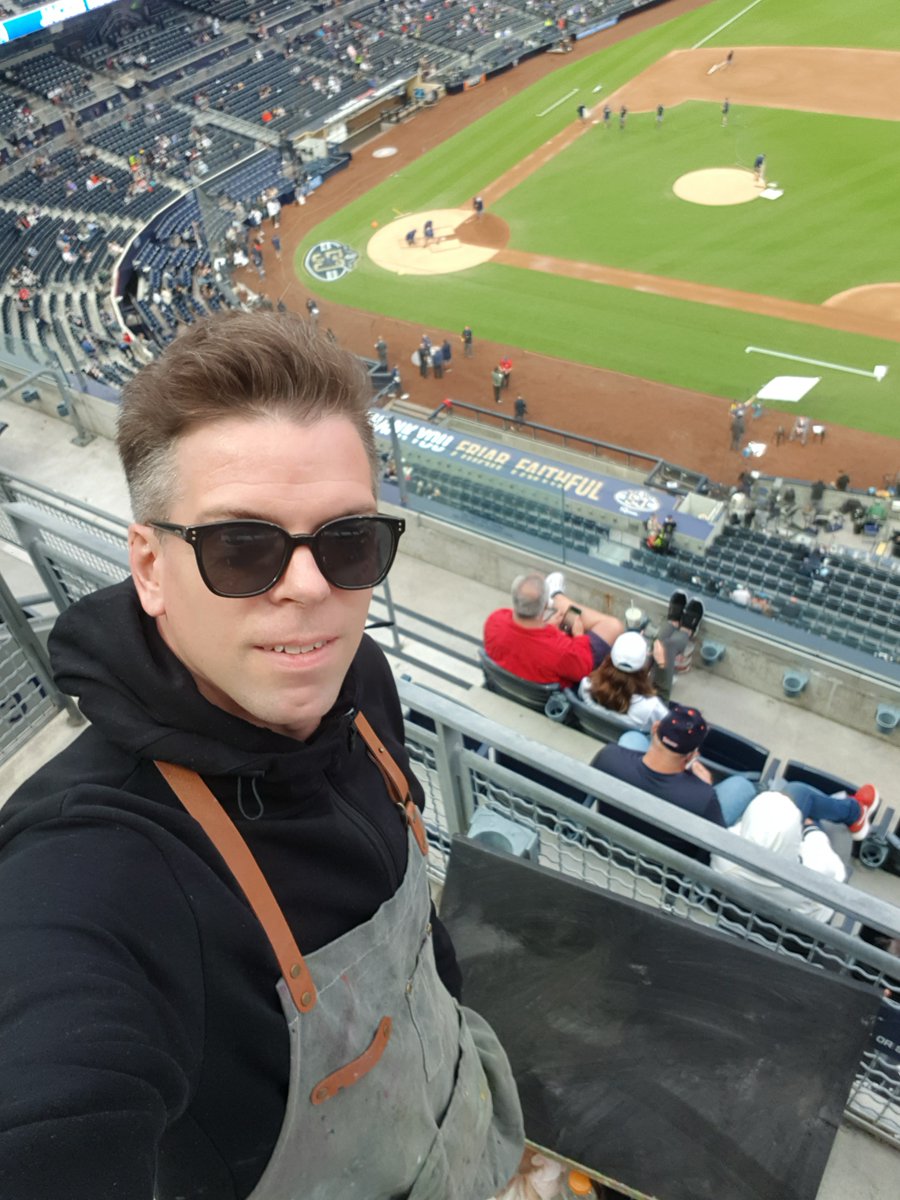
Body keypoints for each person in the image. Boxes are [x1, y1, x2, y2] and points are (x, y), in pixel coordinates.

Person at [0, 312, 524, 1199]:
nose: (311, 588)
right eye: (242, 547)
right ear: (151, 566)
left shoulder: (360, 683)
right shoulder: (92, 869)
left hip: (471, 1135)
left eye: (348, 541)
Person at [711, 791, 848, 923]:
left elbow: (743, 830)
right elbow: (839, 873)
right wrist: (811, 829)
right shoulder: (815, 873)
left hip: (732, 917)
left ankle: (847, 809)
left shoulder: (722, 854)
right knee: (804, 799)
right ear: (795, 833)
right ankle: (851, 809)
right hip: (798, 933)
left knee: (800, 794)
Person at [484, 570, 623, 688]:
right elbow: (583, 668)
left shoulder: (494, 621)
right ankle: (557, 597)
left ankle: (557, 597)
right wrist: (579, 636)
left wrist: (546, 627)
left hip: (512, 686)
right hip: (551, 694)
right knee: (613, 626)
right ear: (545, 607)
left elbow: (522, 643)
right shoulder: (562, 651)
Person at [578, 631, 669, 732]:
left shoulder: (587, 685)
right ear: (643, 666)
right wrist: (661, 665)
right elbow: (667, 723)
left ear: (610, 657)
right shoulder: (650, 707)